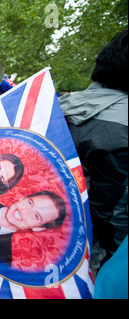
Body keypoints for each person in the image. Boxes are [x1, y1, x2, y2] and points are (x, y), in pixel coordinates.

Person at [59, 29, 128, 275]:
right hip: (96, 257)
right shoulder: (122, 129)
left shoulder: (60, 106)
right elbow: (115, 216)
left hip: (50, 238)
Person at [0, 191, 67, 265]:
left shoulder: (1, 259)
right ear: (22, 198)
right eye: (30, 203)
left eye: (36, 216)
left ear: (38, 228)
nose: (24, 211)